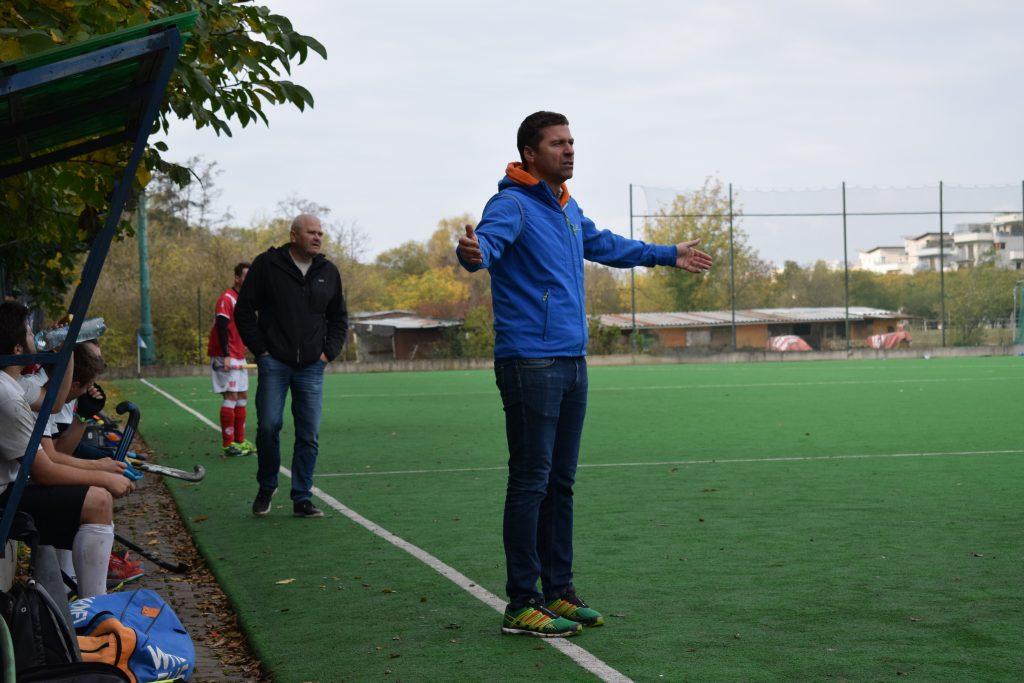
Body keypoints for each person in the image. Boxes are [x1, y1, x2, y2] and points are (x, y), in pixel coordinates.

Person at [456, 111, 713, 638]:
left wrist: (667, 254)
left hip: (572, 360)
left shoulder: (567, 207)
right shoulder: (512, 205)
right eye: (557, 143)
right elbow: (486, 247)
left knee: (560, 483)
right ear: (530, 154)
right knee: (531, 481)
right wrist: (473, 253)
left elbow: (605, 245)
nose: (570, 150)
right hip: (530, 361)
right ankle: (522, 602)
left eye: (572, 141)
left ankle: (558, 591)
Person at [0, 301, 134, 598]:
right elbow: (45, 471)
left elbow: (54, 400)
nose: (36, 336)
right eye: (30, 332)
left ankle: (81, 597)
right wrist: (103, 476)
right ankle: (93, 606)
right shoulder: (6, 393)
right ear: (18, 349)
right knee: (98, 500)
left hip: (11, 490)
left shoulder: (13, 383)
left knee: (92, 496)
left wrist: (68, 348)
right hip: (4, 500)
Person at [235, 215, 348, 518]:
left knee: (308, 434)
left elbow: (339, 319)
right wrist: (262, 350)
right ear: (294, 235)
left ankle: (302, 497)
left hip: (312, 366)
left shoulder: (328, 271)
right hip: (274, 362)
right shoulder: (267, 265)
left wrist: (327, 354)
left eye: (320, 233)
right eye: (311, 232)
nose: (318, 237)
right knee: (269, 425)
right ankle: (267, 485)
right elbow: (244, 310)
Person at [208, 262, 255, 457]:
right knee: (231, 396)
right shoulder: (226, 298)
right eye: (246, 276)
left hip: (238, 355)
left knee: (242, 396)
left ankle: (240, 440)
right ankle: (228, 444)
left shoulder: (243, 300)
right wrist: (226, 355)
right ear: (237, 278)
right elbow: (221, 327)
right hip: (225, 355)